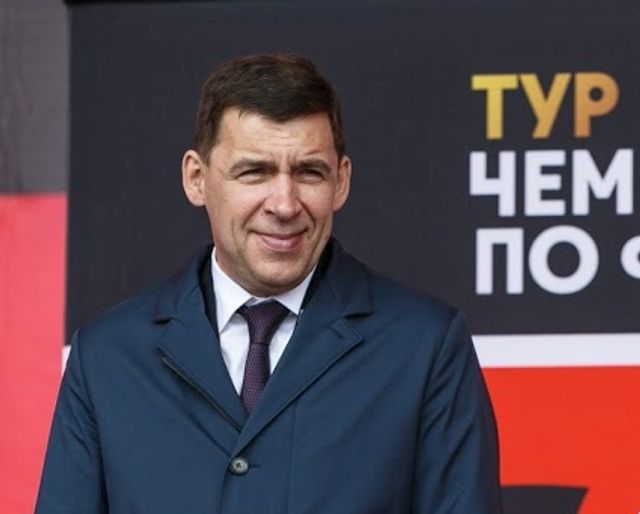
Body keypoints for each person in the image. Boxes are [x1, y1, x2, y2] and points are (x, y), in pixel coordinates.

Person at [36, 53, 502, 514]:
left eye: (309, 172)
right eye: (254, 172)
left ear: (341, 181)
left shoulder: (424, 347)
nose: (284, 204)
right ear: (196, 179)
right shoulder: (106, 358)